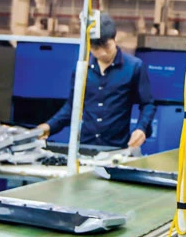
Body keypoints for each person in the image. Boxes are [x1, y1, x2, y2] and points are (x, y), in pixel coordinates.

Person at [37, 13, 156, 149]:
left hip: (116, 148)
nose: (102, 53)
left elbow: (148, 104)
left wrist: (141, 128)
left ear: (114, 39)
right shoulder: (82, 68)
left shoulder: (134, 67)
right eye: (95, 48)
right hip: (84, 147)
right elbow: (72, 107)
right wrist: (49, 126)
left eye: (107, 47)